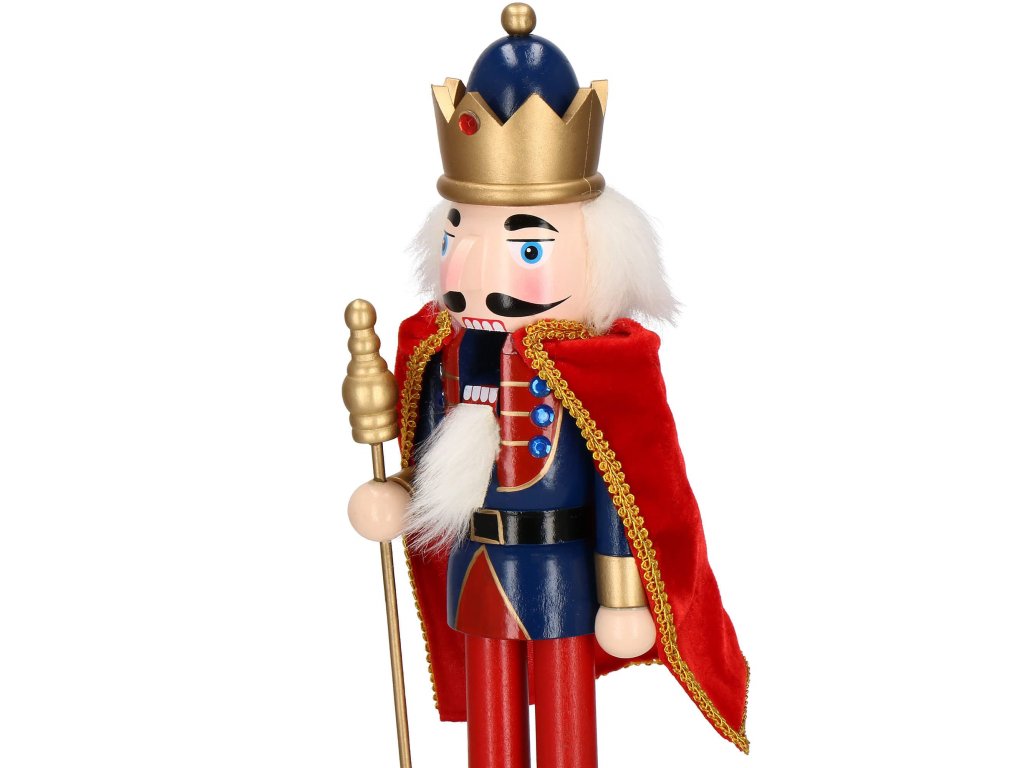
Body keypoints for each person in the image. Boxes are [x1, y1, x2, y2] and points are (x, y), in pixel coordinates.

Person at [347, 5, 749, 766]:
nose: (475, 272)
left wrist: (622, 595)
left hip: (561, 573)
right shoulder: (441, 356)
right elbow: (429, 461)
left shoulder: (600, 370)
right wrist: (396, 493)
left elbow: (625, 483)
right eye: (458, 235)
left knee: (567, 722)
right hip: (475, 567)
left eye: (527, 247)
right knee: (491, 721)